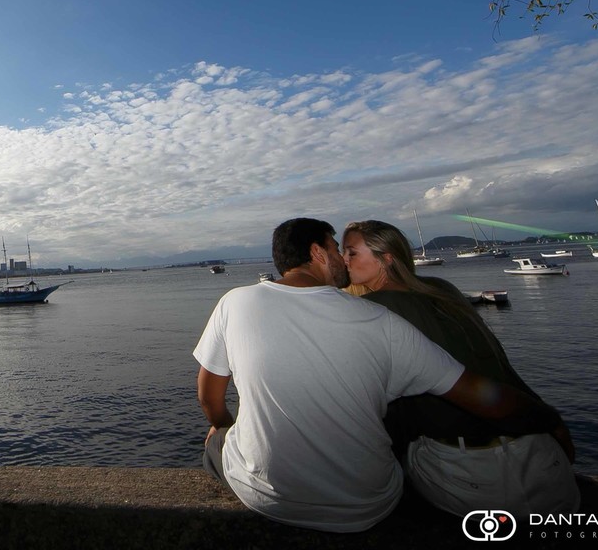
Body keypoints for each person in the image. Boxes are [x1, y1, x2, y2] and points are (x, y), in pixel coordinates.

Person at [193, 217, 566, 533]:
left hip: (265, 498)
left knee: (216, 439)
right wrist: (549, 419)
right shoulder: (383, 321)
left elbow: (209, 398)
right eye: (338, 248)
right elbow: (485, 397)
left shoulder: (234, 302)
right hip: (368, 507)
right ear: (318, 253)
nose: (342, 257)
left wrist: (223, 425)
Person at [340, 219, 580, 518]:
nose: (343, 260)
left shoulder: (372, 310)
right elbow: (499, 366)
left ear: (386, 258)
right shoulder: (441, 289)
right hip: (541, 458)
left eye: (351, 253)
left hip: (469, 473)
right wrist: (552, 421)